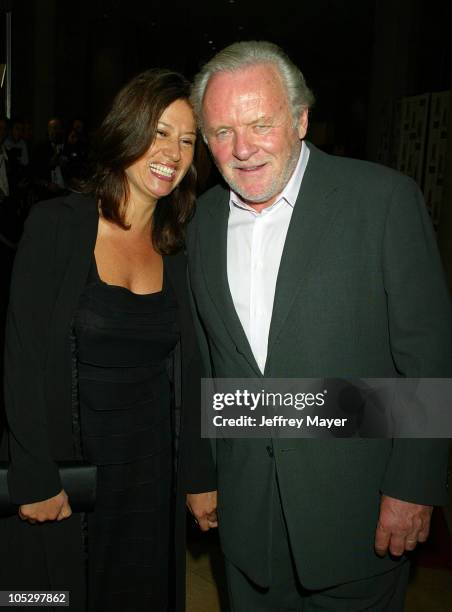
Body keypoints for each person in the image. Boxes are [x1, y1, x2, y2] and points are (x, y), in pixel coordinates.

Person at [187, 41, 452, 611]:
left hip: (356, 519)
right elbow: (210, 363)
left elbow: (429, 356)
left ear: (301, 119)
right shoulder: (203, 222)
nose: (242, 149)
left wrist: (412, 486)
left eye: (260, 124)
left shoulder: (382, 201)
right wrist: (203, 471)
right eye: (221, 132)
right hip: (246, 524)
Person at [0, 68, 216, 612]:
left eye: (187, 139)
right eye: (160, 131)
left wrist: (197, 474)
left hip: (149, 477)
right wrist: (34, 473)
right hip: (67, 473)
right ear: (126, 129)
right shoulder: (57, 225)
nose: (173, 150)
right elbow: (21, 356)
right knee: (46, 599)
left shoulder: (179, 248)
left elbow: (192, 371)